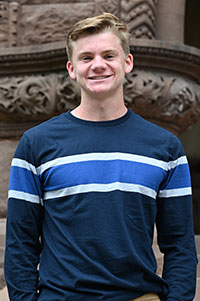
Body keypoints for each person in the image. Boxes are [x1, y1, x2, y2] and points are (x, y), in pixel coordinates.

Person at [4, 12, 198, 301]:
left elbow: (180, 245)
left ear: (127, 62)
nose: (98, 65)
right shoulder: (36, 144)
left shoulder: (165, 147)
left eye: (109, 55)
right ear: (71, 68)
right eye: (86, 57)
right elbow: (20, 243)